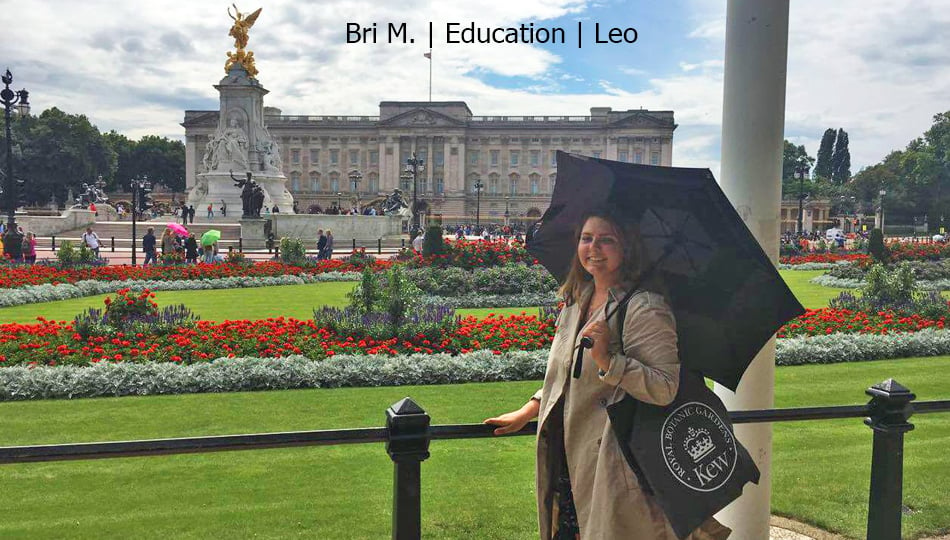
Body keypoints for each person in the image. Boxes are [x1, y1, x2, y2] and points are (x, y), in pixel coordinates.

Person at [483, 207, 729, 540]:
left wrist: (609, 361)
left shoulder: (645, 307)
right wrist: (530, 409)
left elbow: (665, 387)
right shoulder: (576, 300)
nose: (593, 249)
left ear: (627, 248)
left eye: (606, 240)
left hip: (615, 467)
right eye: (587, 239)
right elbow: (569, 374)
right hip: (572, 459)